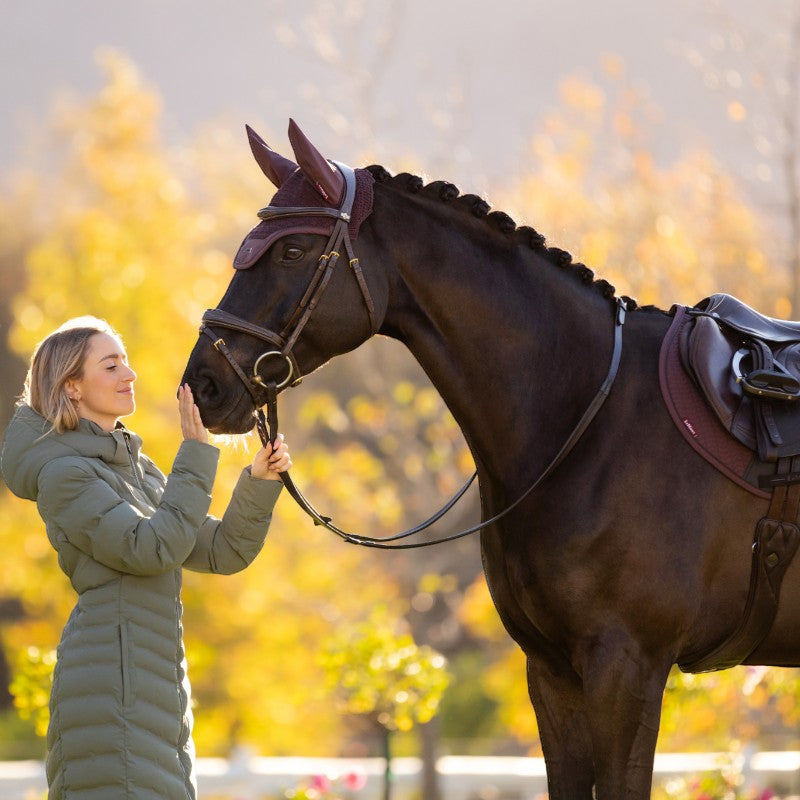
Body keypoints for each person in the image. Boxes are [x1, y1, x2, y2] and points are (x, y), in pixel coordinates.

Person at [0, 316, 291, 800]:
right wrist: (197, 453)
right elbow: (151, 547)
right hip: (111, 688)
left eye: (127, 362)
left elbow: (223, 550)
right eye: (110, 365)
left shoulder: (135, 465)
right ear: (72, 387)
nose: (129, 374)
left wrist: (258, 482)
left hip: (155, 682)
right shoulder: (64, 474)